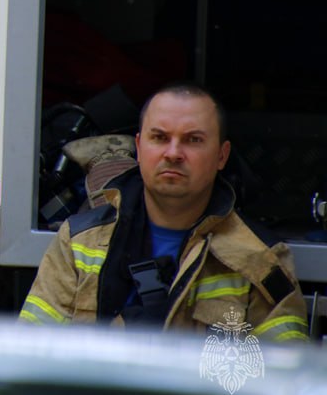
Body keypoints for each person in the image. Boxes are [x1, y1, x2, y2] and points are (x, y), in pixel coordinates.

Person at [20, 82, 308, 341]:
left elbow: (281, 374)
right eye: (159, 137)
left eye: (193, 140)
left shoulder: (261, 259)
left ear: (222, 156)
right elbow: (31, 356)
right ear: (138, 147)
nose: (173, 153)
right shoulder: (78, 242)